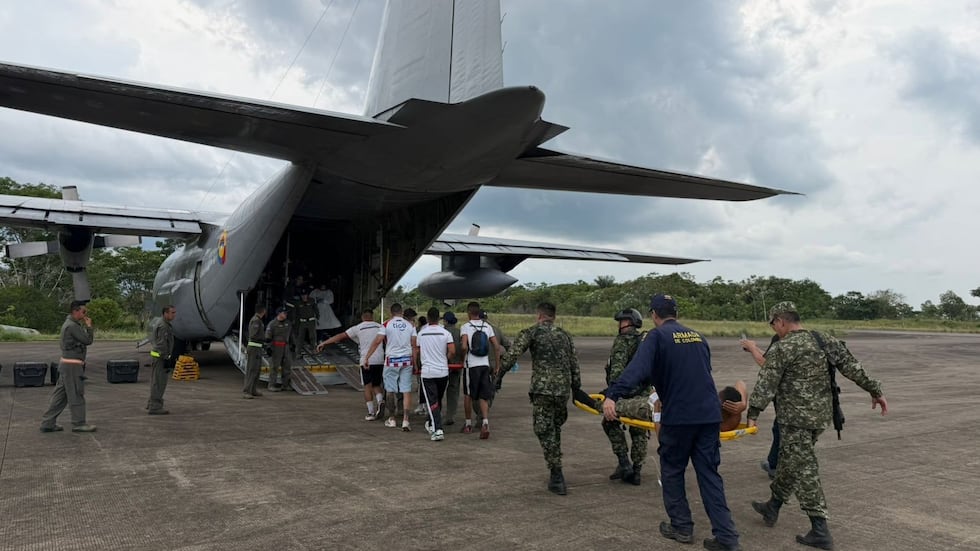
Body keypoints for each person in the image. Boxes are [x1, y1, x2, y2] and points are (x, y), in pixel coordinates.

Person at [745, 302, 888, 550]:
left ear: (780, 321)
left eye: (773, 324)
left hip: (795, 421)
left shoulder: (783, 347)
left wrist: (753, 413)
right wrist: (875, 390)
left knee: (804, 470)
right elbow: (852, 367)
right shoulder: (824, 340)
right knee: (792, 462)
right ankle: (773, 506)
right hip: (820, 418)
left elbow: (766, 383)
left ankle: (820, 528)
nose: (774, 328)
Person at [603, 294, 740, 551]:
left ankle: (681, 527)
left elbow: (636, 370)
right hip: (709, 416)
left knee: (673, 470)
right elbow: (703, 372)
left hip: (680, 417)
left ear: (654, 315)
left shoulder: (657, 336)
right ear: (675, 313)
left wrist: (612, 394)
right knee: (709, 475)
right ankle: (727, 537)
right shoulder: (698, 336)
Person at [499, 302, 580, 496]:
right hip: (562, 391)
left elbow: (512, 355)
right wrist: (577, 387)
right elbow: (574, 363)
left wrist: (498, 376)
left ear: (539, 315)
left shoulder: (531, 332)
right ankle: (556, 466)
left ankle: (556, 473)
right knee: (554, 428)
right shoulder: (565, 335)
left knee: (543, 429)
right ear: (554, 316)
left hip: (543, 390)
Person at [601, 307, 651, 486]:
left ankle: (624, 463)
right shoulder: (645, 341)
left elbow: (617, 370)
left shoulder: (623, 341)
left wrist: (612, 393)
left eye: (621, 321)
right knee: (639, 431)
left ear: (628, 322)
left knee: (609, 422)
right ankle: (637, 471)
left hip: (624, 394)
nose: (619, 325)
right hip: (644, 393)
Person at [40, 300, 97, 433]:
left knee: (60, 396)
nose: (85, 314)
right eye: (83, 312)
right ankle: (79, 423)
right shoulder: (72, 326)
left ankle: (48, 422)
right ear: (75, 311)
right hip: (72, 366)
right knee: (76, 394)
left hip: (66, 365)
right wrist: (89, 327)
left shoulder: (70, 324)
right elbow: (87, 340)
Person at [317, 309, 385, 420]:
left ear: (362, 317)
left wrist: (324, 343)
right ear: (372, 317)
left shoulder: (358, 328)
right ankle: (380, 400)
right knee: (376, 384)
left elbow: (340, 336)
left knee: (367, 386)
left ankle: (371, 413)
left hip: (366, 360)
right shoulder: (380, 327)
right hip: (380, 360)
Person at [363, 303, 417, 431]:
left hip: (392, 360)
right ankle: (405, 420)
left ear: (390, 312)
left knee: (390, 389)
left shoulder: (386, 324)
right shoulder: (410, 325)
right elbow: (414, 345)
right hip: (406, 360)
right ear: (402, 312)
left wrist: (367, 357)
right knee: (406, 390)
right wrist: (415, 363)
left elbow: (377, 341)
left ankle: (392, 418)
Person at [740, 333, 781, 479]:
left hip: (787, 398)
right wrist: (754, 348)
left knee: (781, 429)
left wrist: (752, 348)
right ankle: (774, 463)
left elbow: (767, 365)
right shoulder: (799, 340)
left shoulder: (781, 338)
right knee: (779, 429)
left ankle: (775, 466)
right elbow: (771, 357)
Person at [459, 301, 500, 438]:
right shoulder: (487, 326)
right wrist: (497, 365)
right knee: (484, 395)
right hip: (484, 365)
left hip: (471, 365)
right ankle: (485, 422)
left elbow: (464, 346)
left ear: (469, 313)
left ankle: (468, 423)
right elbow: (496, 346)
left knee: (468, 395)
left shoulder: (465, 327)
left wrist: (462, 358)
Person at [415, 307, 455, 442]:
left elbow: (418, 351)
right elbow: (452, 351)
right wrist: (445, 358)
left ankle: (438, 428)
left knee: (432, 401)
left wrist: (418, 363)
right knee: (438, 399)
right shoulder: (445, 333)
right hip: (443, 371)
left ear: (427, 318)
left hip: (428, 372)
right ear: (439, 318)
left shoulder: (422, 333)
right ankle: (433, 423)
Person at [146, 305, 177, 415]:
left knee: (156, 381)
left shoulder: (161, 323)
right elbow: (161, 344)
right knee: (159, 383)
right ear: (165, 313)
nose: (174, 315)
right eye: (172, 312)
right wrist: (166, 358)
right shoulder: (163, 326)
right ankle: (155, 406)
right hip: (160, 357)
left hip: (158, 356)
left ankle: (151, 403)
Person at [441, 311, 463, 426]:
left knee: (438, 390)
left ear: (445, 321)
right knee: (453, 390)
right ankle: (451, 414)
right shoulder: (460, 332)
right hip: (457, 365)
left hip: (442, 364)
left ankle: (435, 413)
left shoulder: (442, 332)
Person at [242, 305, 267, 399]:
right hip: (254, 348)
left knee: (257, 370)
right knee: (251, 370)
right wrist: (264, 338)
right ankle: (247, 391)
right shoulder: (256, 321)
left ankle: (253, 389)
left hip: (258, 347)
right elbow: (253, 334)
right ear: (263, 311)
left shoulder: (258, 320)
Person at [266, 307, 293, 392]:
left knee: (287, 366)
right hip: (276, 348)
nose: (286, 314)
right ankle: (271, 385)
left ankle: (285, 385)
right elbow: (268, 337)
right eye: (284, 313)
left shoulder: (288, 323)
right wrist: (268, 348)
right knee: (274, 367)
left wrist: (293, 344)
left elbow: (291, 335)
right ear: (279, 314)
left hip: (286, 347)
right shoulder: (272, 324)